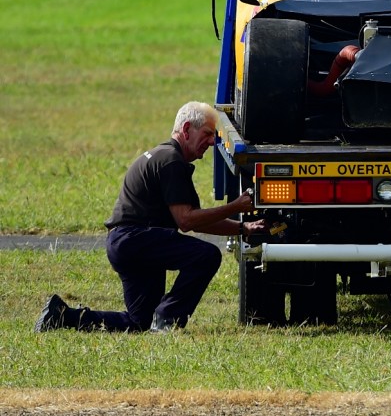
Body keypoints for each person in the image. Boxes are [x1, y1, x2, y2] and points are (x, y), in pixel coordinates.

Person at [34, 102, 267, 333]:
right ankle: (168, 319)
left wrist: (242, 228)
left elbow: (196, 220)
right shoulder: (171, 160)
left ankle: (63, 316)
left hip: (126, 243)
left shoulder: (165, 156)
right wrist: (235, 206)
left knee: (139, 322)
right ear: (186, 130)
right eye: (207, 134)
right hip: (137, 240)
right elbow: (187, 221)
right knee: (207, 256)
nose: (211, 141)